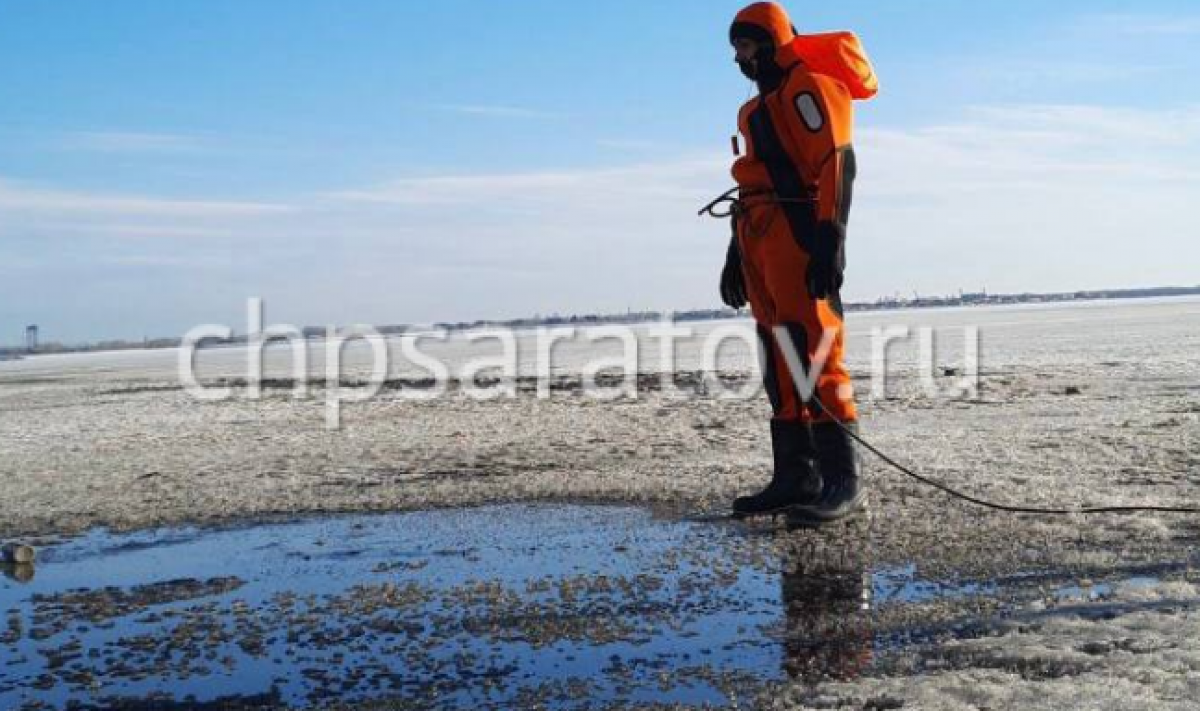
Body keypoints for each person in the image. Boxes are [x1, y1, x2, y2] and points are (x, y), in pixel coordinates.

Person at [719, 2, 878, 524]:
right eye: (736, 49)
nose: (740, 57)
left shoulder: (809, 87)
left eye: (746, 45)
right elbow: (753, 180)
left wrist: (831, 235)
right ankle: (796, 475)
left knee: (816, 346)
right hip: (759, 235)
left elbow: (837, 160)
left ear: (770, 40)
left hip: (798, 232)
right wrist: (735, 254)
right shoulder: (755, 108)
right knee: (777, 350)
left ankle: (843, 481)